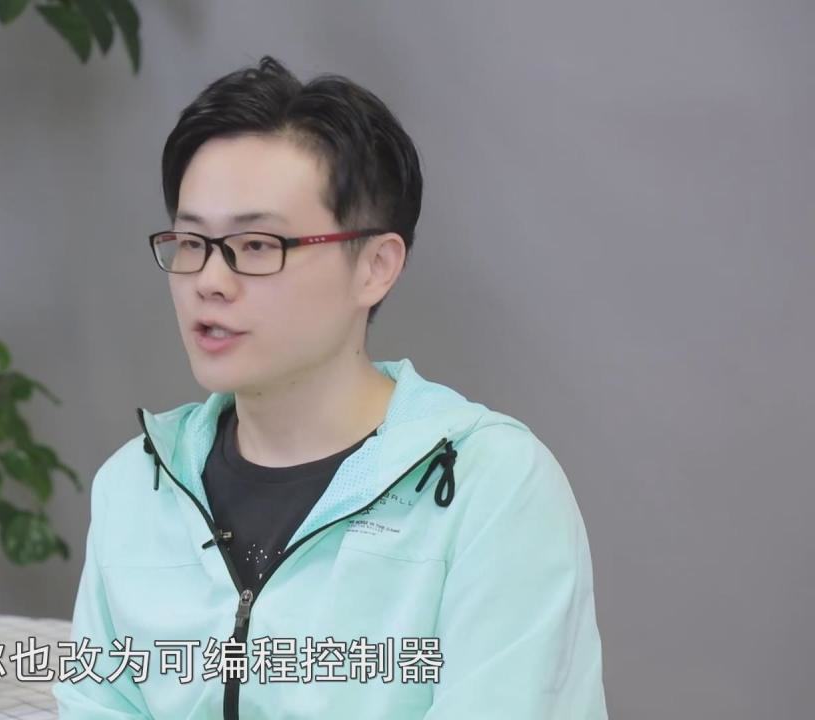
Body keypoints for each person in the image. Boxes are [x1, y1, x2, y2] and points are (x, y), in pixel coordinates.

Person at [52, 56, 608, 719]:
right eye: (191, 242)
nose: (209, 281)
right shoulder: (134, 488)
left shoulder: (493, 489)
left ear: (375, 267)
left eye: (257, 245)